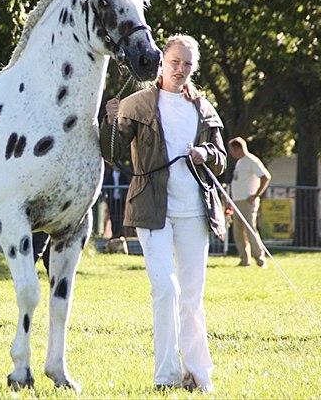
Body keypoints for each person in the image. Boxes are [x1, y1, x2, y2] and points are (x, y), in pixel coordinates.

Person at [100, 34, 226, 393]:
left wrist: (205, 154)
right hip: (151, 209)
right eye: (174, 62)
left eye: (187, 64)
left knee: (191, 295)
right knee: (165, 289)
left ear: (193, 67)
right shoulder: (137, 103)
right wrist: (111, 121)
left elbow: (220, 159)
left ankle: (198, 375)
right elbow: (111, 151)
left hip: (194, 212)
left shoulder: (203, 107)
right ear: (161, 62)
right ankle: (166, 376)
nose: (180, 69)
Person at [228, 137, 271, 267]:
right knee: (238, 232)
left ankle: (260, 258)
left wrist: (255, 195)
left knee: (250, 230)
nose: (231, 153)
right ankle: (244, 259)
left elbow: (266, 177)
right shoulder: (240, 162)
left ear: (238, 148)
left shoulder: (252, 160)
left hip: (247, 201)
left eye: (232, 150)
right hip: (237, 201)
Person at [102, 164, 131, 238]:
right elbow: (105, 184)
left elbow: (127, 184)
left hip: (121, 200)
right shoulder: (109, 176)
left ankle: (120, 233)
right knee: (112, 216)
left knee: (121, 216)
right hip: (112, 199)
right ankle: (114, 233)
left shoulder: (123, 176)